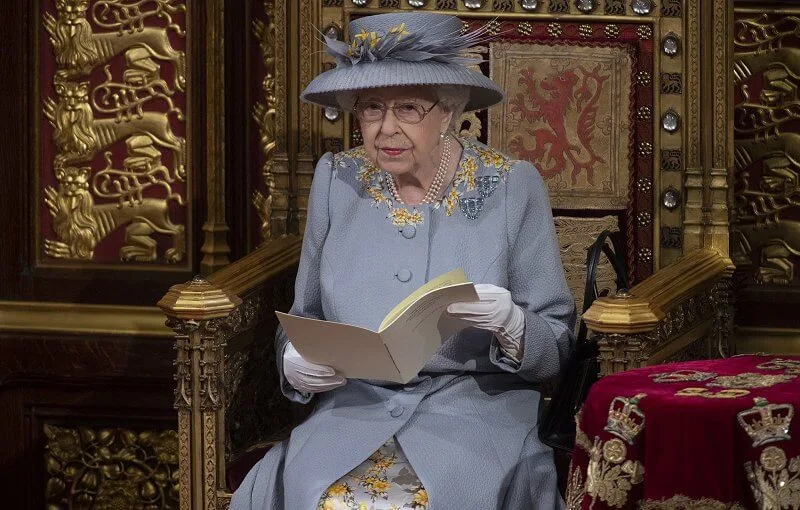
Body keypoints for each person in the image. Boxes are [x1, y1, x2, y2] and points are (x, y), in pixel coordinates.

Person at [232, 11, 575, 510]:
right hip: (352, 412)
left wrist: (513, 325)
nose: (386, 128)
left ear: (450, 112)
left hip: (476, 415)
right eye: (371, 109)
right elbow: (302, 314)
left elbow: (557, 341)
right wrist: (294, 363)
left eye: (409, 108)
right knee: (319, 497)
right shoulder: (337, 179)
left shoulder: (510, 185)